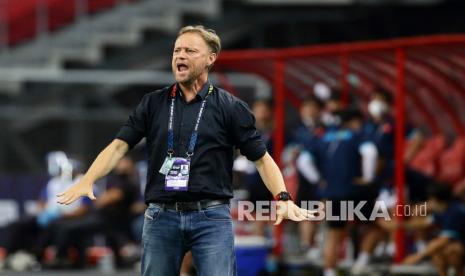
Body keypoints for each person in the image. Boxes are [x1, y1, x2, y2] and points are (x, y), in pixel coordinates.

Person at [57, 25, 313, 276]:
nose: (180, 56)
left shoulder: (230, 107)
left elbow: (261, 159)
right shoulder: (153, 103)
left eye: (190, 51)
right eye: (177, 50)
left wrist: (283, 198)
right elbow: (118, 147)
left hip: (211, 217)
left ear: (210, 59)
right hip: (161, 216)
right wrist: (88, 180)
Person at [403, 184, 465, 276]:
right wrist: (399, 225)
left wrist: (417, 257)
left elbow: (444, 240)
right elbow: (424, 223)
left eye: (431, 200)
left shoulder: (455, 212)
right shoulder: (443, 210)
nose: (429, 203)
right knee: (436, 251)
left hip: (460, 247)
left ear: (437, 200)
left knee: (452, 250)